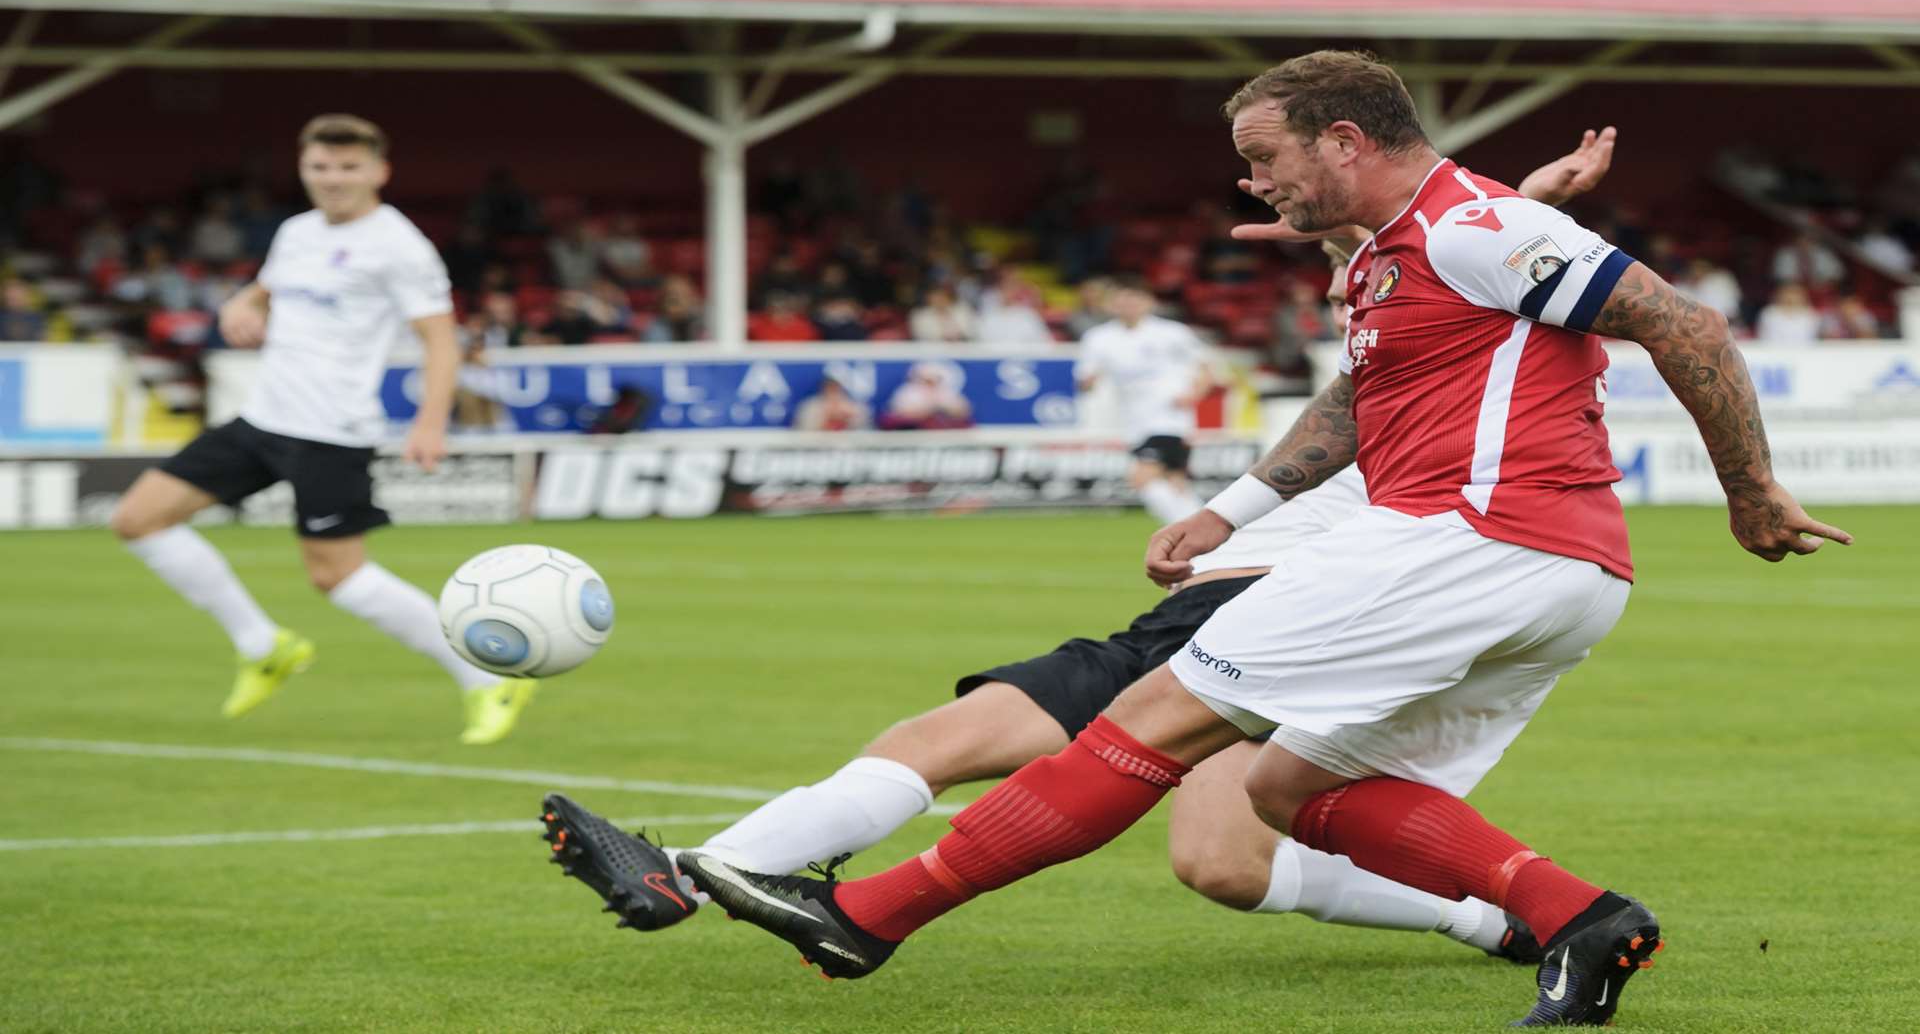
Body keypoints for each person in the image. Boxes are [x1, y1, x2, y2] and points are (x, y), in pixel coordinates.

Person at [667, 53, 1850, 1027]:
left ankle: (869, 918)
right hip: (1563, 573)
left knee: (1150, 723)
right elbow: (1357, 401)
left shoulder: (1469, 228)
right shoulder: (1398, 255)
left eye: (1265, 159)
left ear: (1343, 139)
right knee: (1292, 786)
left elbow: (1681, 322)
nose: (1255, 184)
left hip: (1467, 540)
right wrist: (1234, 512)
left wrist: (1751, 491)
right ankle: (1581, 921)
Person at [540, 122, 1628, 976]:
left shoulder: (1452, 287)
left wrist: (1516, 209)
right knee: (1022, 768)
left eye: (1283, 178)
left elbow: (1467, 241)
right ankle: (704, 872)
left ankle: (760, 886)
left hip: (1320, 593)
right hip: (1221, 587)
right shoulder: (1398, 297)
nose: (1278, 205)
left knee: (1220, 851)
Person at [107, 114, 538, 745]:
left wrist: (429, 423)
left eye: (348, 167)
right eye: (320, 167)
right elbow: (267, 289)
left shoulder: (399, 246)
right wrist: (242, 304)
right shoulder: (296, 232)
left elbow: (441, 341)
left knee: (338, 577)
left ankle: (485, 674)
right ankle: (263, 645)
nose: (333, 179)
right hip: (264, 417)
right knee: (137, 519)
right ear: (304, 168)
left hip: (331, 429)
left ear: (378, 171)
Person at [1076, 278, 1215, 524]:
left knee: (1142, 479)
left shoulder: (1171, 332)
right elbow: (1086, 378)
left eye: (1134, 300)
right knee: (1175, 481)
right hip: (1133, 420)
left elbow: (1205, 367)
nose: (1128, 306)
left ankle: (1185, 533)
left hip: (1169, 417)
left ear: (1148, 302)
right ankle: (1210, 534)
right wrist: (1088, 383)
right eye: (1122, 301)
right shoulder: (1099, 338)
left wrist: (1194, 395)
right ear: (1111, 304)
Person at [880, 362, 972, 429]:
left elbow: (963, 411)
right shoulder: (908, 392)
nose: (930, 383)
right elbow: (897, 415)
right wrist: (927, 410)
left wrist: (942, 407)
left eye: (934, 379)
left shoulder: (946, 392)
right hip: (913, 432)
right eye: (927, 379)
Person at [792, 376, 873, 432]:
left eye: (835, 389)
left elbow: (867, 430)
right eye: (830, 389)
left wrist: (848, 419)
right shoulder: (811, 407)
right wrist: (825, 418)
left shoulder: (853, 406)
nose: (832, 393)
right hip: (816, 450)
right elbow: (802, 431)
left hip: (849, 450)